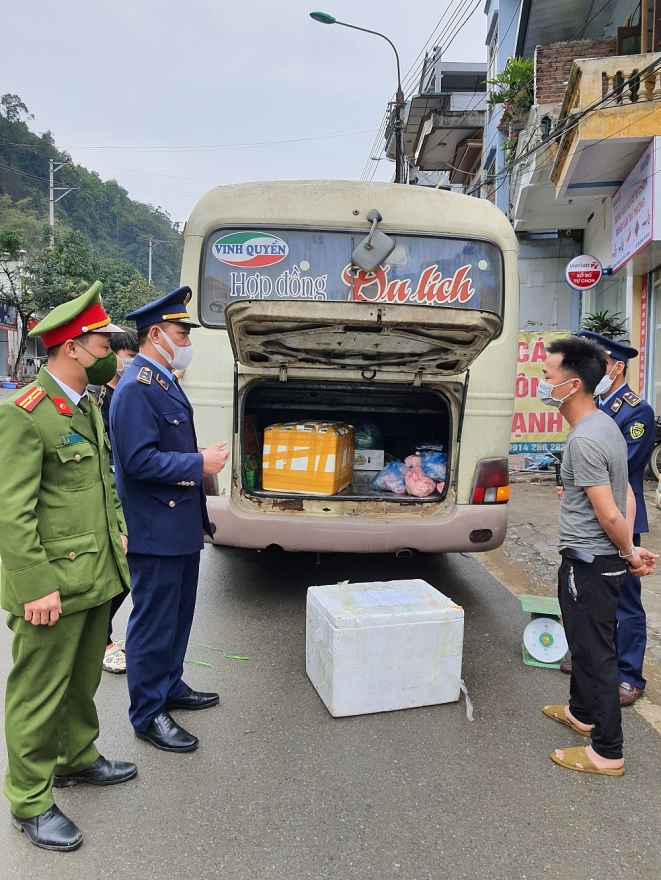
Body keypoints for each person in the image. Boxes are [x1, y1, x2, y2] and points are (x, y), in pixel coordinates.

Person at [0, 282, 137, 852]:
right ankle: (29, 798)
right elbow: (12, 512)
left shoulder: (84, 406)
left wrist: (119, 536)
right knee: (38, 690)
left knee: (81, 681)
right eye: (103, 341)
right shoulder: (25, 414)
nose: (111, 349)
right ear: (74, 347)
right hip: (52, 584)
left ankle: (76, 757)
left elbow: (99, 487)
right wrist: (35, 586)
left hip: (94, 574)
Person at [109, 286, 229, 753]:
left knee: (178, 618)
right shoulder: (138, 388)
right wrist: (197, 464)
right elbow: (137, 462)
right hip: (156, 527)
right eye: (182, 332)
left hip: (177, 525)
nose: (187, 341)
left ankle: (169, 685)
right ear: (155, 334)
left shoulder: (163, 378)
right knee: (153, 622)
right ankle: (147, 712)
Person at [538, 336, 657, 776]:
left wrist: (626, 551)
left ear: (572, 387)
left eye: (547, 377)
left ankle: (607, 752)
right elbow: (623, 491)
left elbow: (609, 512)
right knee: (586, 646)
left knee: (597, 652)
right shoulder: (603, 424)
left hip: (589, 562)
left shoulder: (585, 440)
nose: (541, 383)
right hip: (597, 556)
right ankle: (581, 713)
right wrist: (629, 548)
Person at [557, 331, 657, 707]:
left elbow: (620, 467)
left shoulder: (636, 411)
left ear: (615, 367)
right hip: (591, 514)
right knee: (588, 595)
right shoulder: (592, 405)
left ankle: (629, 675)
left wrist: (580, 479)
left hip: (622, 516)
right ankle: (593, 663)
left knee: (625, 600)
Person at [94, 327, 139, 675]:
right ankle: (103, 643)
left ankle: (102, 638)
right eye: (121, 355)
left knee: (123, 573)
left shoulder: (126, 392)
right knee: (116, 572)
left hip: (119, 497)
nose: (125, 362)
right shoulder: (100, 398)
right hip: (106, 498)